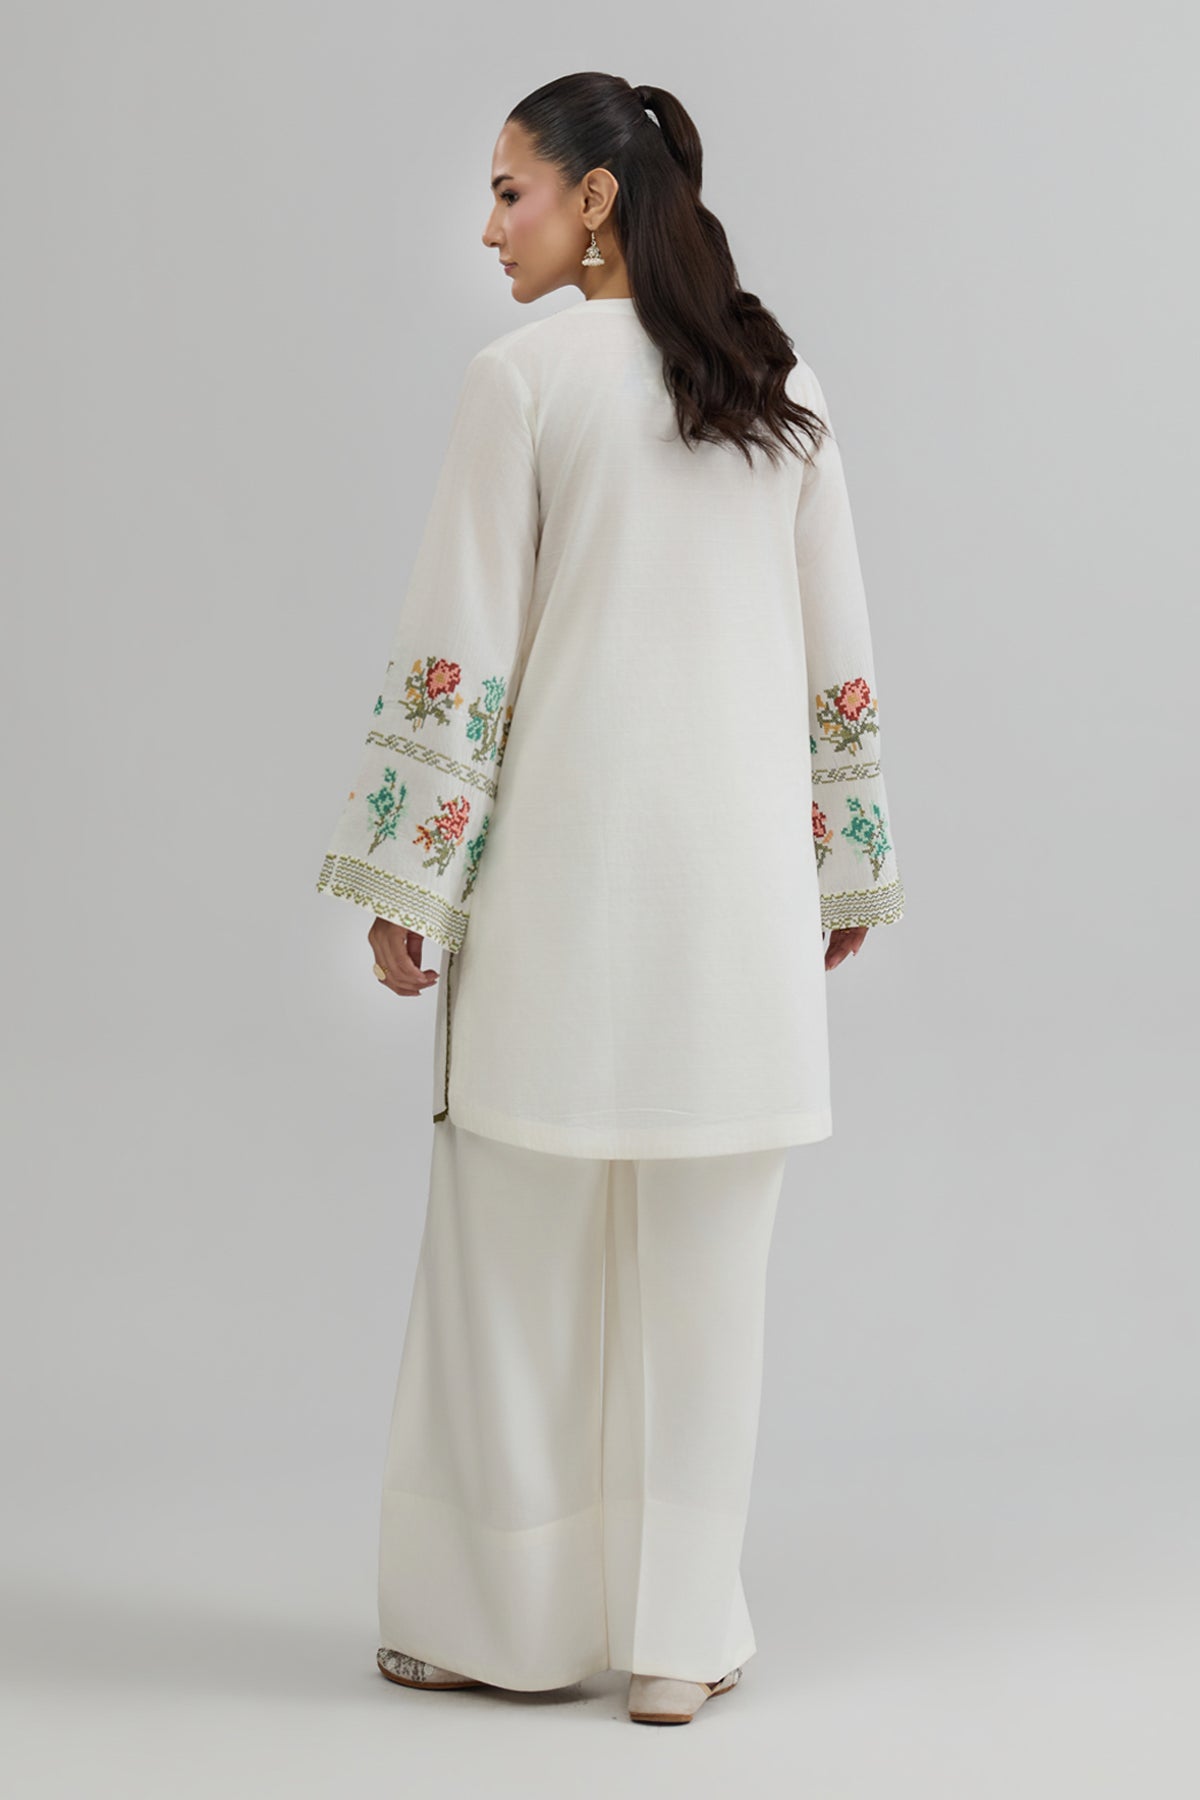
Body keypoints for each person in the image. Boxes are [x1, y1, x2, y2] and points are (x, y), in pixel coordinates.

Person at [315, 72, 905, 1726]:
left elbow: (467, 646)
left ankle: (497, 1629)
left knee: (511, 1283)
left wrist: (410, 881)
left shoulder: (520, 381)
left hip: (560, 912)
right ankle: (677, 1643)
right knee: (710, 1296)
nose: (485, 226)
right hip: (738, 922)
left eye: (508, 190)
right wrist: (844, 862)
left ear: (592, 201)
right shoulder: (778, 387)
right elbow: (838, 652)